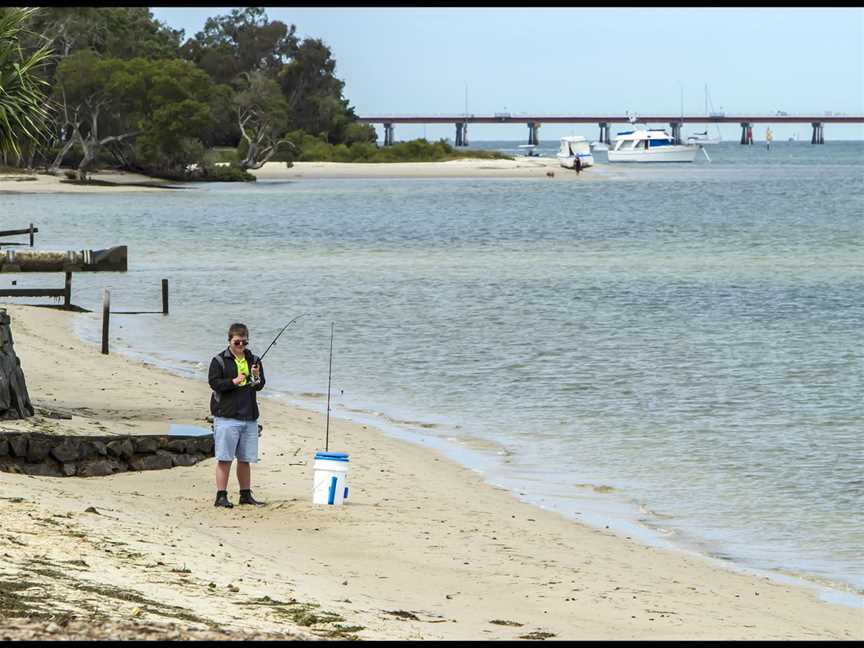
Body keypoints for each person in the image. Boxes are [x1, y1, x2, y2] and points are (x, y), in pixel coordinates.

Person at [208, 322, 266, 508]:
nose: (241, 346)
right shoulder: (219, 361)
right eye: (237, 342)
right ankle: (221, 496)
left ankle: (245, 494)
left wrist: (255, 376)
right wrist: (234, 381)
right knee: (225, 458)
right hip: (226, 417)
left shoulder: (254, 360)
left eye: (244, 342)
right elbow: (214, 383)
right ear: (229, 341)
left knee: (245, 459)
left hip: (248, 417)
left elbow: (259, 385)